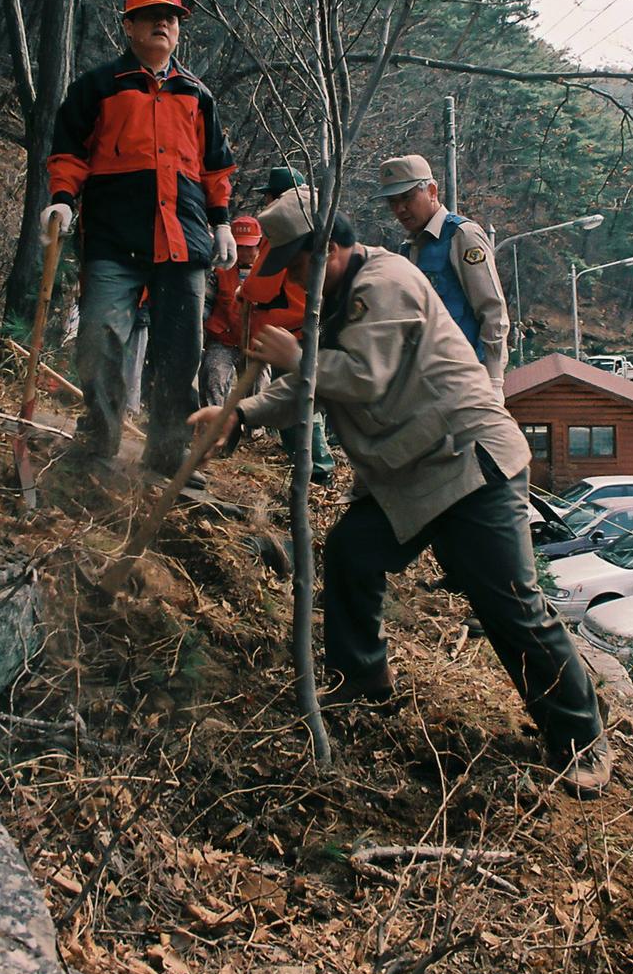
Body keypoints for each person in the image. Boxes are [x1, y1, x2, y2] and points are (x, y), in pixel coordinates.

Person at [190, 188, 611, 798]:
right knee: (352, 556)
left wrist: (295, 355)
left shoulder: (384, 281)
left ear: (330, 249)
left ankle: (580, 741)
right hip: (406, 477)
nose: (298, 283)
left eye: (302, 267)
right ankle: (361, 688)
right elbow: (316, 387)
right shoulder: (333, 303)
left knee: (511, 607)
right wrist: (242, 417)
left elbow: (362, 376)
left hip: (468, 467)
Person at [41, 0, 236, 478]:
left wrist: (222, 224)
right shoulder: (97, 88)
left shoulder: (197, 94)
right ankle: (98, 443)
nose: (162, 25)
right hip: (114, 237)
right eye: (151, 17)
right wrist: (62, 200)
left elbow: (216, 168)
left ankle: (168, 457)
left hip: (185, 240)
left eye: (170, 18)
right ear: (129, 26)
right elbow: (68, 153)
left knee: (180, 352)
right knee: (100, 336)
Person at [373, 155, 509, 403]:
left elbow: (492, 310)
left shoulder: (461, 235)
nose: (399, 209)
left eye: (407, 197)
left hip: (466, 379)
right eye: (393, 202)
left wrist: (494, 380)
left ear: (432, 190)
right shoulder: (408, 249)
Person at [240, 167, 334, 484]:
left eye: (268, 194)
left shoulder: (284, 230)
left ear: (276, 196)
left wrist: (244, 292)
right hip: (304, 326)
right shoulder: (316, 221)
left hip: (289, 331)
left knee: (299, 400)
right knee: (303, 397)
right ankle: (308, 466)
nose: (265, 200)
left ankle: (317, 471)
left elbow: (260, 286)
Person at [200, 215, 262, 408]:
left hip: (256, 342)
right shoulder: (219, 271)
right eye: (240, 246)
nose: (244, 252)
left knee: (259, 386)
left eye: (249, 246)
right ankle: (214, 423)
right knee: (213, 374)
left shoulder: (269, 272)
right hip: (223, 339)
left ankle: (255, 431)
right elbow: (206, 305)